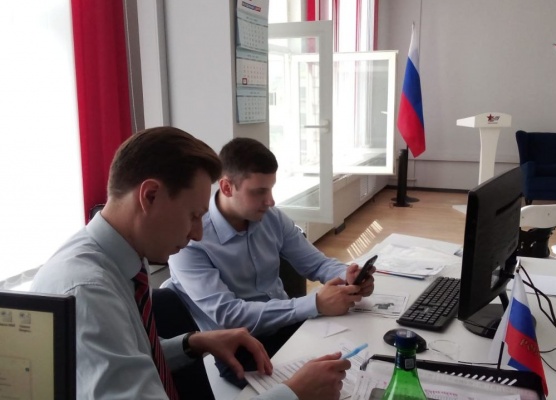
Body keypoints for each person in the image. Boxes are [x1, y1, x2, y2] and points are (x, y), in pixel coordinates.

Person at [30, 127, 349, 400]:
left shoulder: (119, 260)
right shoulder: (89, 292)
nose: (198, 233)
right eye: (193, 216)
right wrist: (292, 395)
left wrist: (192, 343)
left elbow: (132, 355)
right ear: (150, 196)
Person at [167, 137, 375, 386]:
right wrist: (315, 303)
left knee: (358, 364)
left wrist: (349, 274)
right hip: (239, 345)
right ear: (227, 187)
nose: (271, 201)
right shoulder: (189, 239)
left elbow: (316, 264)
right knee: (321, 387)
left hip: (287, 323)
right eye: (259, 192)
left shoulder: (272, 218)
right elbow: (229, 316)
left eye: (271, 189)